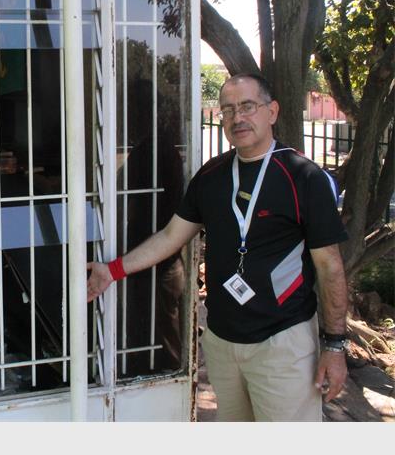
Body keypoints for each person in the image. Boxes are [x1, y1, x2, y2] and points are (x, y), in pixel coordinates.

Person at [86, 73, 349, 422]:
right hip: (223, 342)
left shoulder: (303, 176)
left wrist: (334, 345)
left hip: (282, 343)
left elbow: (330, 267)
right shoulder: (212, 176)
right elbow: (170, 236)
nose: (237, 117)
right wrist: (113, 270)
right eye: (228, 110)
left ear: (272, 111)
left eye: (247, 106)